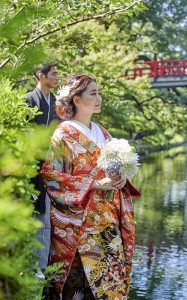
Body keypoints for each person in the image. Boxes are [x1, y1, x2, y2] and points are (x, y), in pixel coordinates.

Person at [40, 74, 140, 299]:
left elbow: (114, 172)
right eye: (93, 94)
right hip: (79, 225)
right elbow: (50, 175)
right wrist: (93, 184)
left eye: (99, 93)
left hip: (108, 222)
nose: (99, 98)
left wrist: (120, 180)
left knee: (111, 289)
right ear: (76, 100)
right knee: (77, 290)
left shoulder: (102, 132)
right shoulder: (63, 133)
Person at [25, 62, 59, 277]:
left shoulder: (57, 103)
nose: (57, 77)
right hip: (29, 165)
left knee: (46, 216)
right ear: (41, 75)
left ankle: (41, 264)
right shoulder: (27, 99)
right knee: (30, 210)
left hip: (51, 164)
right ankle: (25, 261)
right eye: (53, 74)